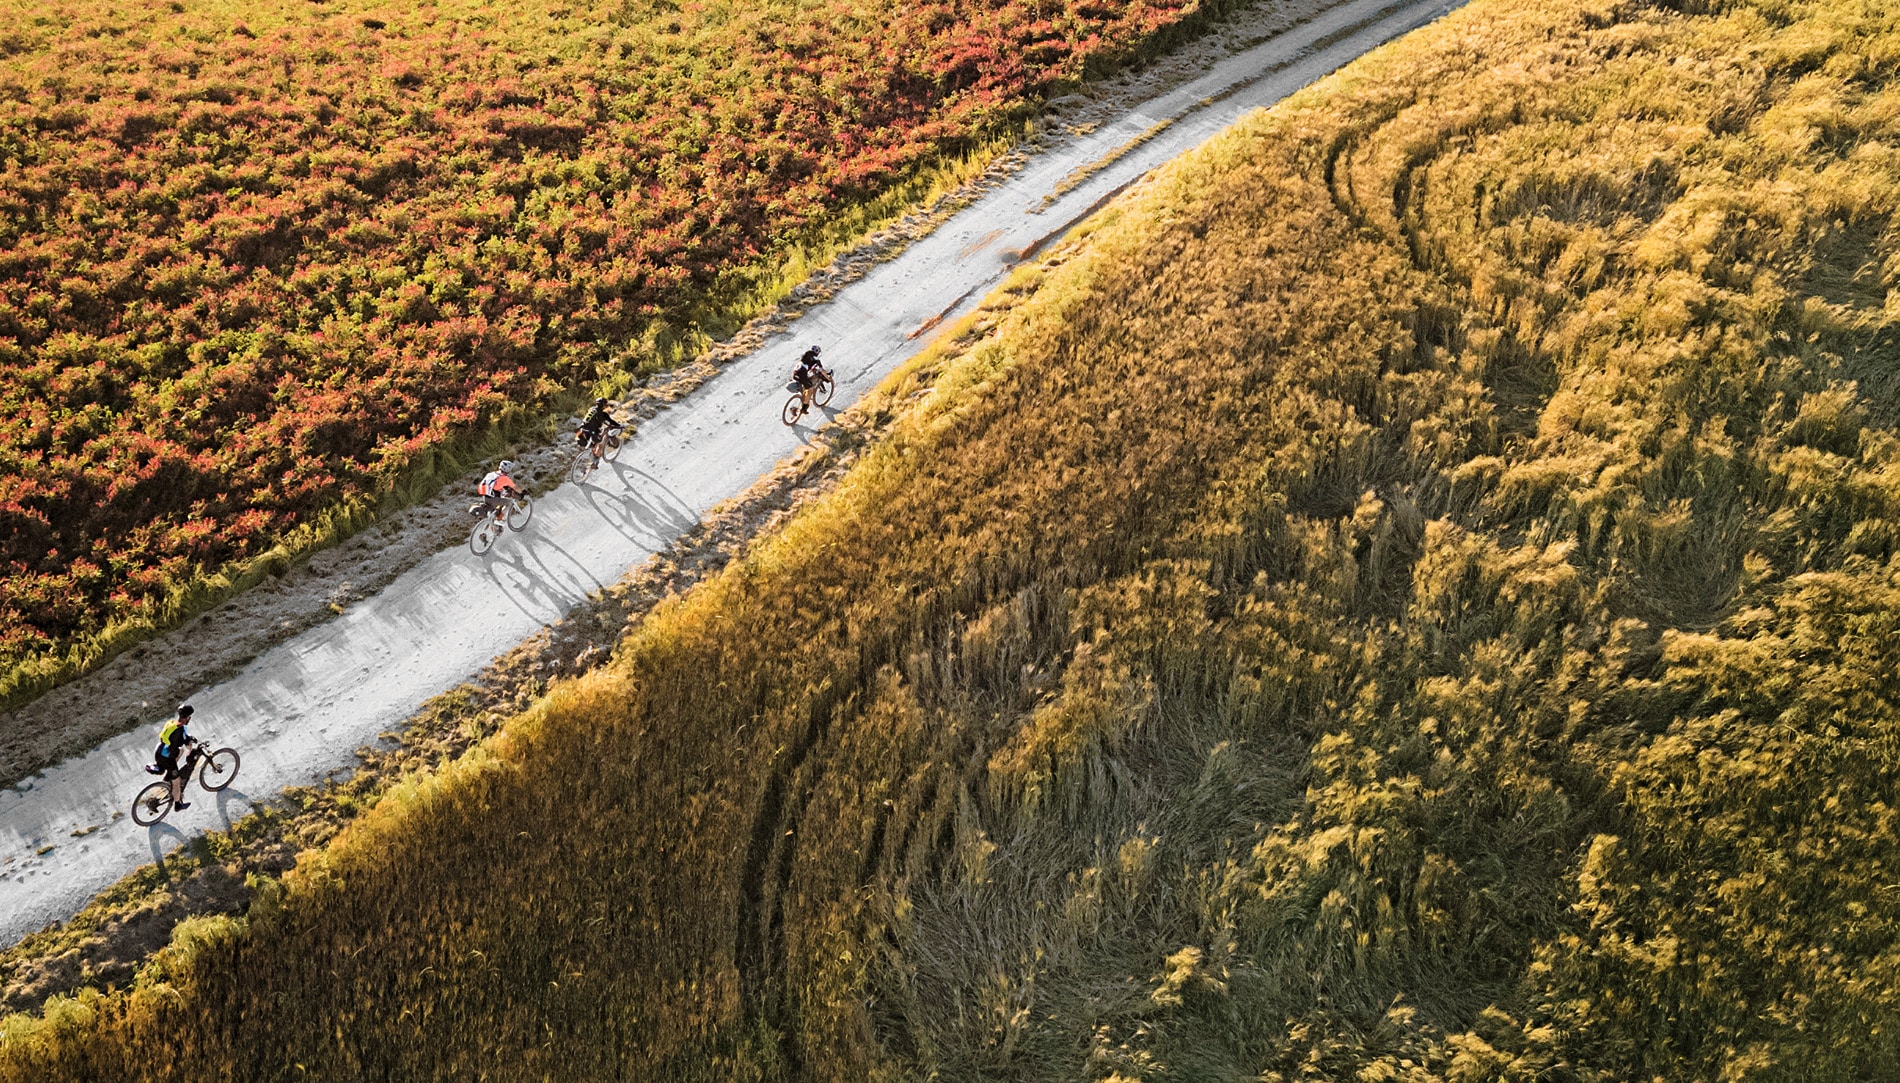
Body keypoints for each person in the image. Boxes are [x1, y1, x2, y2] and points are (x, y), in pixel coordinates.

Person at [144, 704, 198, 811]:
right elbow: (188, 744)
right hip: (167, 759)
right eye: (189, 717)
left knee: (180, 750)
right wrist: (190, 746)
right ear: (187, 717)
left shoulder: (171, 723)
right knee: (177, 783)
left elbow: (178, 738)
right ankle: (178, 805)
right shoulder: (181, 730)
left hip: (159, 751)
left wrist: (187, 739)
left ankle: (169, 775)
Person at [574, 397, 624, 461]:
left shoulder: (592, 409)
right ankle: (595, 461)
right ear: (603, 405)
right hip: (591, 431)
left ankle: (593, 453)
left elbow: (594, 418)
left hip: (583, 429)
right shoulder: (603, 414)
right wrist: (619, 426)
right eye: (605, 404)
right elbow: (610, 421)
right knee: (600, 442)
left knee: (594, 440)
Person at [791, 346, 828, 416]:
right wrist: (828, 378)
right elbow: (821, 370)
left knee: (805, 387)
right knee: (810, 390)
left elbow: (811, 368)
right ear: (817, 352)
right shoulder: (816, 359)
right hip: (802, 374)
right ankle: (803, 408)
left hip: (795, 373)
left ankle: (799, 403)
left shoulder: (806, 355)